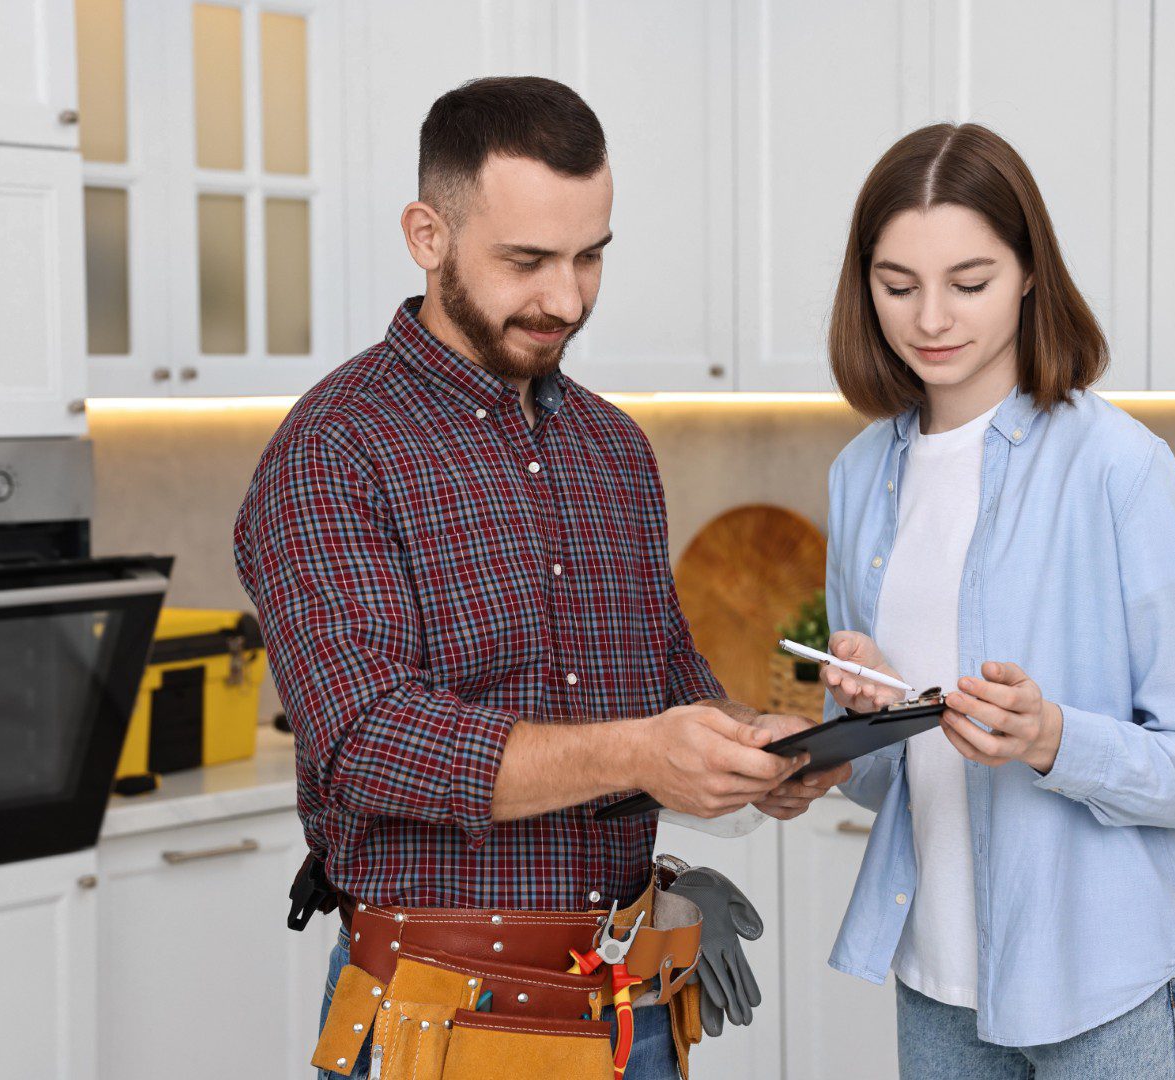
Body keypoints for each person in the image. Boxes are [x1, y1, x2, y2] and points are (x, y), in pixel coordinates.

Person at [233, 75, 848, 1080]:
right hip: (437, 1021)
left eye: (589, 256)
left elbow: (662, 675)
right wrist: (643, 754)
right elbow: (366, 743)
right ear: (428, 234)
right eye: (526, 261)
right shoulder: (332, 450)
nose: (565, 299)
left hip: (633, 1012)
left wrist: (752, 748)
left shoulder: (616, 448)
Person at [818, 122, 1175, 1079]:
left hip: (1111, 990)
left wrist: (1051, 738)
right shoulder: (856, 479)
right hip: (937, 984)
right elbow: (890, 786)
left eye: (969, 283)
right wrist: (863, 715)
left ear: (1030, 273)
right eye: (896, 284)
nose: (931, 317)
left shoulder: (1120, 469)